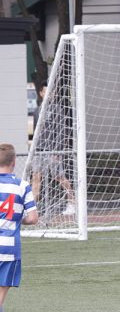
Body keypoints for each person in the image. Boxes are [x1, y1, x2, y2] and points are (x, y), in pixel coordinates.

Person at [0, 143, 39, 312]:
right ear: (14, 163)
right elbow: (33, 218)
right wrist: (16, 220)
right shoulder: (22, 186)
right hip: (7, 249)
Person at [30, 82, 76, 215]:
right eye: (46, 91)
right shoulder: (37, 111)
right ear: (41, 93)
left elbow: (62, 131)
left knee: (59, 177)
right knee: (36, 177)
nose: (50, 94)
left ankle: (72, 202)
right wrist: (34, 149)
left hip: (53, 150)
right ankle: (32, 209)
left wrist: (58, 150)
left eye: (52, 91)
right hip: (39, 150)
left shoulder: (57, 109)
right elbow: (35, 133)